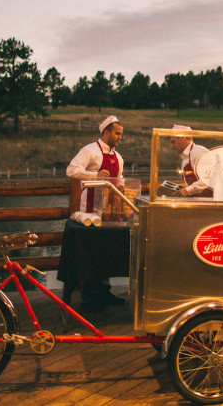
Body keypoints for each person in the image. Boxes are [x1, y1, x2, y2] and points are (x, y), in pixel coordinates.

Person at [64, 115, 125, 310]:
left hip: (110, 211)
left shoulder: (118, 157)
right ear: (106, 132)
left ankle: (104, 292)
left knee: (107, 251)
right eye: (117, 133)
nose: (119, 137)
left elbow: (120, 181)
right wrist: (94, 175)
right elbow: (71, 170)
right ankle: (89, 296)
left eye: (121, 134)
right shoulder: (89, 151)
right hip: (89, 211)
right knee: (90, 252)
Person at [169, 124, 213, 197]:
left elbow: (208, 178)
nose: (172, 146)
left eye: (173, 142)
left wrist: (187, 190)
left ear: (181, 137)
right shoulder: (185, 159)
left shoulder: (199, 152)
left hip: (212, 202)